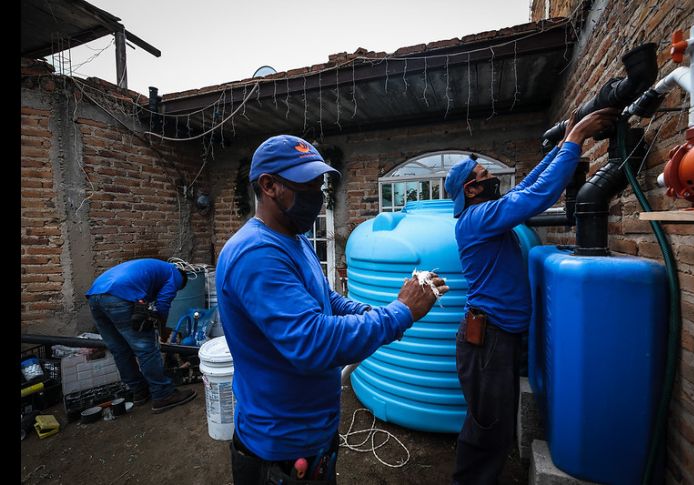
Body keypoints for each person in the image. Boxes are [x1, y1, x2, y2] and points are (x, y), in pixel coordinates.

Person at [216, 134, 448, 485]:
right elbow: (313, 342)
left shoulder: (294, 239)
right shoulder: (257, 254)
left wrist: (374, 311)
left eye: (319, 183)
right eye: (306, 184)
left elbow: (327, 299)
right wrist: (400, 313)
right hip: (281, 448)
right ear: (269, 185)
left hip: (313, 434)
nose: (317, 194)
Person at [445, 108, 620, 484]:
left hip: (496, 337)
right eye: (483, 176)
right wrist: (574, 141)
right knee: (487, 427)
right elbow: (535, 197)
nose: (492, 178)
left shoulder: (486, 214)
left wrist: (560, 147)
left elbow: (526, 189)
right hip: (486, 341)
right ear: (471, 191)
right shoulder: (478, 219)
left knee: (494, 423)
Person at [86, 258, 198, 413]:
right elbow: (163, 304)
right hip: (120, 295)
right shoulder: (176, 275)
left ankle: (139, 391)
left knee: (119, 349)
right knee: (146, 349)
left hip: (95, 294)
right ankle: (163, 395)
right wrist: (161, 328)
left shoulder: (155, 269)